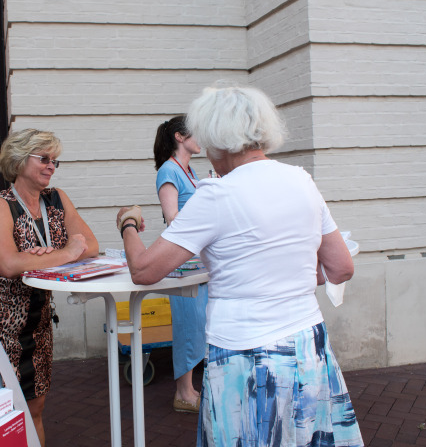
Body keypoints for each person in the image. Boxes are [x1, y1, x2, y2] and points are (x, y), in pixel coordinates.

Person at [116, 84, 363, 446]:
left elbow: (143, 270)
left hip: (244, 354)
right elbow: (341, 267)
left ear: (218, 138)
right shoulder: (301, 180)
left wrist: (128, 224)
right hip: (307, 343)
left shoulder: (216, 194)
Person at [0, 129, 99, 447]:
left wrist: (47, 256)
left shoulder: (56, 200)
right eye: (43, 159)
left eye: (55, 161)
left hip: (38, 320)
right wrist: (66, 253)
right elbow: (7, 264)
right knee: (1, 411)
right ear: (18, 161)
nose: (51, 166)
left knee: (36, 407)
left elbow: (92, 245)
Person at [153, 115, 208, 413]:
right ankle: (184, 394)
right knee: (189, 324)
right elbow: (173, 218)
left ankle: (190, 390)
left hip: (197, 260)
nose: (201, 139)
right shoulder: (169, 171)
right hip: (184, 262)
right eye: (196, 134)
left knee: (200, 323)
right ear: (179, 136)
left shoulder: (189, 169)